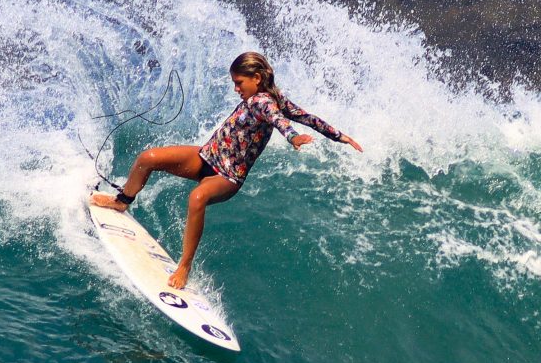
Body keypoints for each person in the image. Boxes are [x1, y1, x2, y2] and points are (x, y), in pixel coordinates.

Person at [91, 51, 363, 289]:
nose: (236, 88)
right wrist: (339, 135)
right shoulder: (272, 97)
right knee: (147, 158)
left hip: (227, 176)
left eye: (239, 83)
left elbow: (281, 121)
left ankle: (184, 265)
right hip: (206, 156)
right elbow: (309, 118)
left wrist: (292, 137)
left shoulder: (266, 103)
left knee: (197, 198)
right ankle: (121, 202)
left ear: (257, 77)